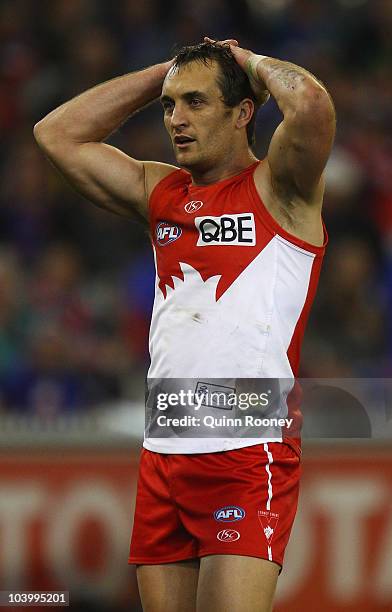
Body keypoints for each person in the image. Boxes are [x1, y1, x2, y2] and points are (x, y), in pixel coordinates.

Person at [34, 37, 335, 612]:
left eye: (196, 102)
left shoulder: (281, 190)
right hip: (164, 452)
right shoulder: (161, 192)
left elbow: (312, 105)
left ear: (243, 112)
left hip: (246, 452)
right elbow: (57, 134)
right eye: (170, 105)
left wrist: (246, 61)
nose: (176, 118)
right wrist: (161, 75)